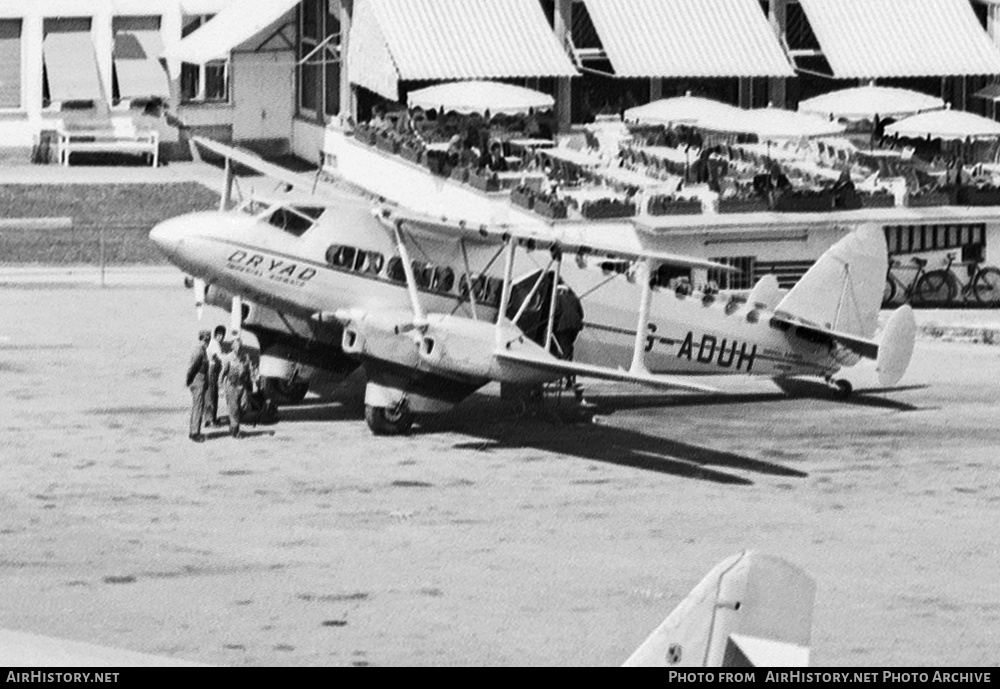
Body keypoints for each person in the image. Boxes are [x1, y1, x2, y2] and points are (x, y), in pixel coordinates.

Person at [220, 334, 255, 439]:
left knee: (244, 406)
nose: (238, 348)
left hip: (242, 385)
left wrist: (253, 382)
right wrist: (221, 388)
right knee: (234, 408)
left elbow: (250, 370)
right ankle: (236, 430)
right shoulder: (228, 358)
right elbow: (222, 373)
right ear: (232, 347)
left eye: (240, 346)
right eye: (236, 346)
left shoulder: (245, 357)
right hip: (231, 385)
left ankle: (233, 424)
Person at [185, 330, 211, 443]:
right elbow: (192, 367)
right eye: (206, 339)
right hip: (197, 380)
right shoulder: (199, 351)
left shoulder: (202, 351)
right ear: (203, 339)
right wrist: (189, 380)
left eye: (208, 340)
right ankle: (195, 433)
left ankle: (194, 431)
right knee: (198, 407)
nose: (207, 342)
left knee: (199, 406)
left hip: (201, 380)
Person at [203, 325, 226, 428]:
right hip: (211, 370)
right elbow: (219, 358)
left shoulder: (211, 343)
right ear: (218, 335)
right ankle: (211, 420)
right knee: (211, 395)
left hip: (210, 370)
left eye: (222, 335)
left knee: (210, 395)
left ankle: (210, 419)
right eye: (221, 335)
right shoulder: (215, 344)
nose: (222, 338)